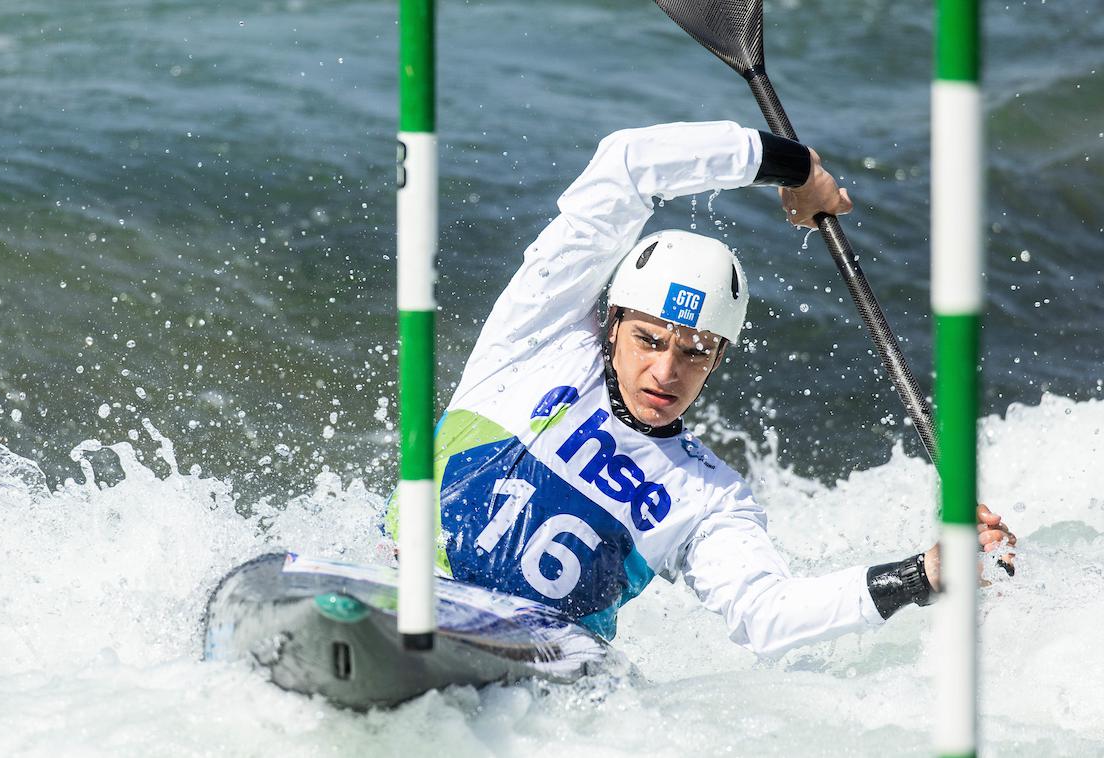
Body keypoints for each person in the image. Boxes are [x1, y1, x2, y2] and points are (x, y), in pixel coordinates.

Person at [390, 121, 1016, 653]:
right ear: (611, 324)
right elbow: (629, 164)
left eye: (695, 353)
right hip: (403, 592)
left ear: (718, 358)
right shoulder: (537, 336)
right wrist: (792, 166)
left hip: (536, 661)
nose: (666, 372)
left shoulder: (708, 496)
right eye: (649, 340)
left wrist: (923, 574)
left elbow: (765, 614)